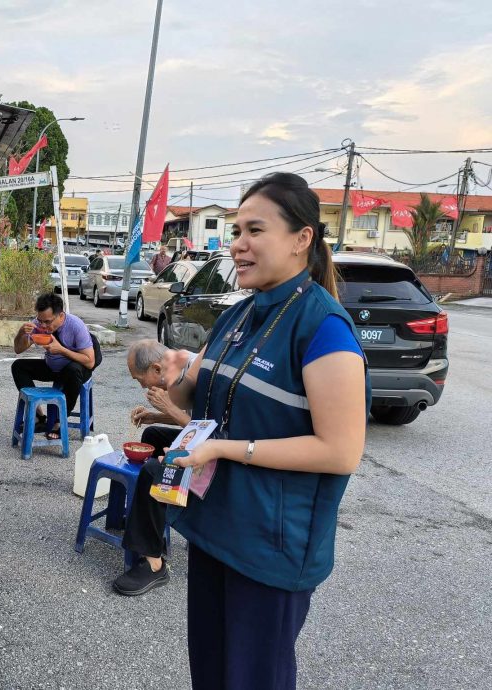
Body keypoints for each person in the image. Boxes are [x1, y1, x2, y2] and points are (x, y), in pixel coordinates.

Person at [162, 172, 370, 690]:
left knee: (253, 679)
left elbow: (341, 451)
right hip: (215, 529)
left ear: (303, 240)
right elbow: (193, 393)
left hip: (271, 548)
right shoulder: (240, 315)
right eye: (235, 231)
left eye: (255, 230)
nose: (238, 245)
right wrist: (180, 371)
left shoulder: (323, 329)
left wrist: (224, 448)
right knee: (210, 672)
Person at [112, 339, 192, 597]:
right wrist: (155, 415)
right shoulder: (177, 369)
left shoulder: (193, 374)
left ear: (157, 369)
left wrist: (168, 407)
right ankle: (148, 518)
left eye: (139, 379)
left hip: (220, 450)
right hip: (205, 439)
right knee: (153, 434)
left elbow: (205, 426)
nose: (141, 385)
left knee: (151, 471)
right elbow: (191, 416)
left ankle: (154, 564)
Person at [11, 292, 98, 439]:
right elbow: (18, 350)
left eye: (48, 322)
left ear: (61, 316)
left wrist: (62, 350)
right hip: (53, 367)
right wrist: (20, 334)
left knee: (73, 370)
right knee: (18, 366)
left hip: (76, 369)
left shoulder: (76, 326)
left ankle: (60, 421)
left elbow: (90, 361)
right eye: (41, 321)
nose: (43, 325)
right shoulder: (38, 323)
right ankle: (38, 415)